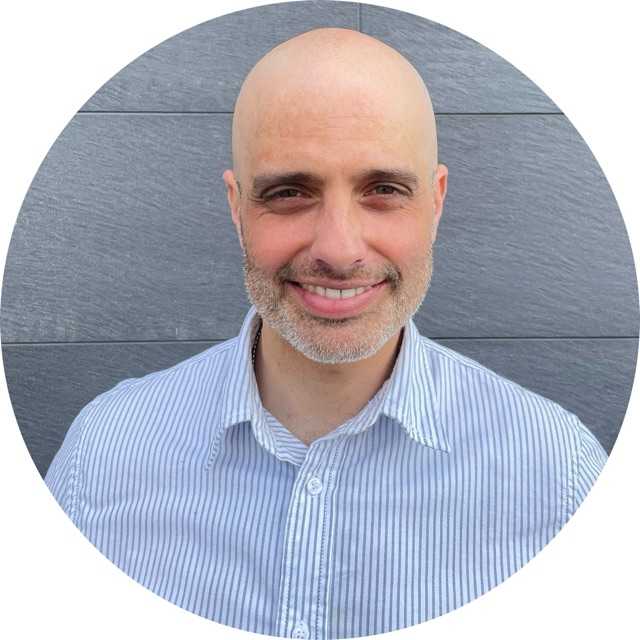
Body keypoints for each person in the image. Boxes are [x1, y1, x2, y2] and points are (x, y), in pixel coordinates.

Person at [45, 27, 607, 639]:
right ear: (237, 207)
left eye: (384, 191)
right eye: (290, 193)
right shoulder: (103, 458)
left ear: (436, 202)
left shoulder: (557, 477)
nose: (339, 250)